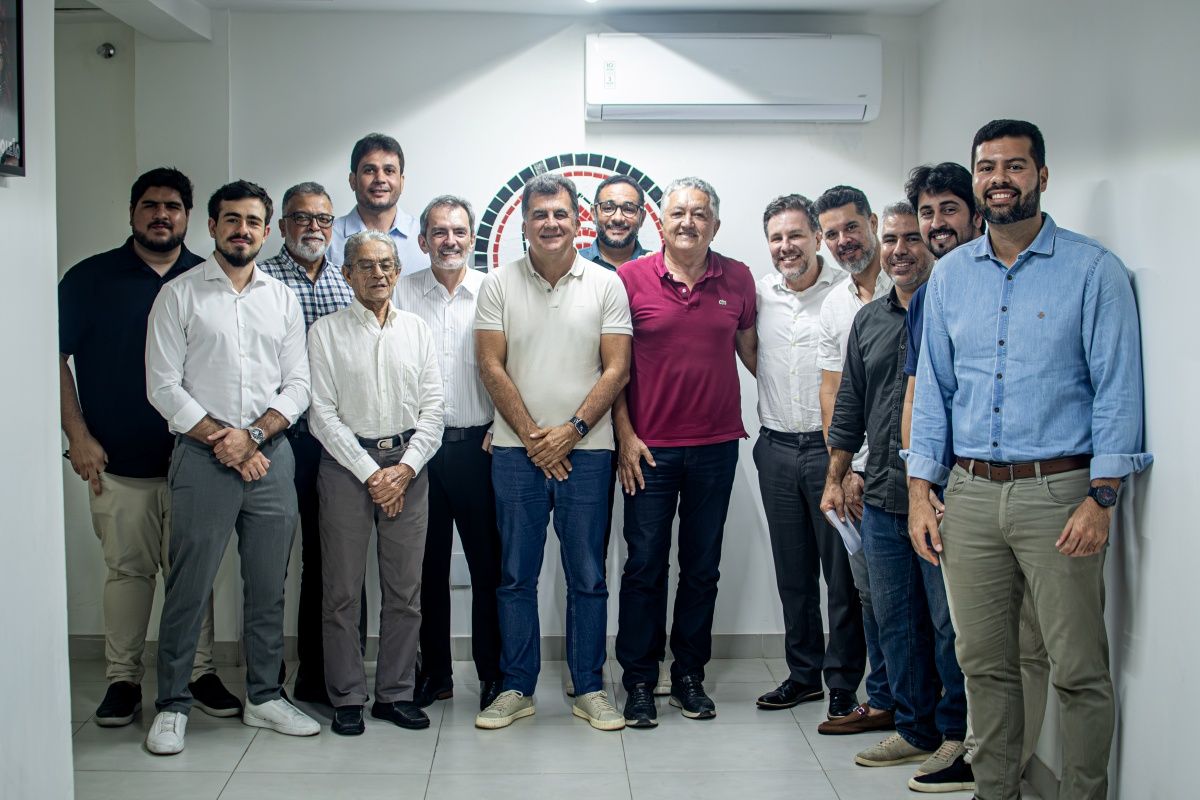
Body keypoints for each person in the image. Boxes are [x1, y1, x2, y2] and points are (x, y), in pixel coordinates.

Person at [906, 119, 1152, 800]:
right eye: (988, 168)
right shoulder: (951, 276)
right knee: (984, 664)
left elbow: (1117, 388)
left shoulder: (1092, 270)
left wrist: (1103, 496)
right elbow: (936, 394)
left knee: (1077, 669)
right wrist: (922, 492)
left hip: (1061, 493)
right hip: (971, 494)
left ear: (1042, 176)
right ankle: (995, 793)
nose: (1000, 180)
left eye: (1015, 167)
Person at [58, 167, 240, 727]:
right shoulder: (90, 279)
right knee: (127, 572)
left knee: (195, 573)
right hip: (118, 462)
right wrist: (78, 437)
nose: (162, 215)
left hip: (198, 462)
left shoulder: (210, 279)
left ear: (191, 219)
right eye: (151, 206)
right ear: (132, 213)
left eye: (174, 207)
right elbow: (54, 359)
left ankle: (197, 670)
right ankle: (122, 680)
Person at [144, 180, 318, 755]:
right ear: (212, 227)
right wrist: (225, 440)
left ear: (266, 231)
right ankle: (171, 705)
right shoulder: (179, 295)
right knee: (188, 584)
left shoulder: (281, 298)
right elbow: (163, 386)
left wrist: (255, 437)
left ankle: (265, 697)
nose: (241, 229)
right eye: (230, 220)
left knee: (268, 585)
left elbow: (298, 384)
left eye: (252, 221)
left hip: (272, 454)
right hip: (201, 456)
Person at [899, 161, 1049, 794]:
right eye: (927, 214)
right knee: (973, 645)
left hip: (1043, 488)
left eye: (948, 211)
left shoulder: (1071, 272)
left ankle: (987, 755)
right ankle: (980, 761)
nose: (937, 225)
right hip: (958, 485)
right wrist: (920, 484)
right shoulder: (941, 289)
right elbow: (923, 393)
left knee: (1030, 651)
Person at [473, 173, 632, 732]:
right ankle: (517, 687)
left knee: (586, 573)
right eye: (540, 215)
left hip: (588, 452)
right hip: (516, 453)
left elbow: (618, 368)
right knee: (516, 574)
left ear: (577, 220)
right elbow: (491, 365)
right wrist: (538, 438)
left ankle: (590, 687)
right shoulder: (497, 284)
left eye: (560, 214)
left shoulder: (605, 284)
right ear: (524, 224)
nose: (550, 223)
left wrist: (571, 429)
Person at [821, 203, 968, 791]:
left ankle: (956, 732)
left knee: (946, 620)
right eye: (893, 239)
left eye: (913, 237)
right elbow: (851, 405)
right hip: (881, 492)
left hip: (939, 495)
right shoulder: (870, 320)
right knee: (894, 618)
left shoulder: (953, 308)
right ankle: (914, 729)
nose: (902, 248)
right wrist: (837, 474)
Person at [614, 177, 757, 728]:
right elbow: (614, 368)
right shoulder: (629, 279)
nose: (688, 222)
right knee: (644, 567)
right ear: (661, 222)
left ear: (714, 226)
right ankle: (640, 681)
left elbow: (755, 356)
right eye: (678, 212)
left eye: (700, 214)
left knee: (702, 568)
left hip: (717, 448)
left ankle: (689, 676)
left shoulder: (738, 278)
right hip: (648, 451)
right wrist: (625, 435)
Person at [308, 230, 445, 735]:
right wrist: (372, 474)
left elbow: (435, 408)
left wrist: (404, 468)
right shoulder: (325, 332)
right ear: (346, 274)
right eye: (366, 266)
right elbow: (321, 414)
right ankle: (346, 696)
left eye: (387, 264)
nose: (379, 274)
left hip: (409, 462)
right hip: (347, 467)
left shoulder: (417, 330)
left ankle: (395, 694)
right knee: (342, 590)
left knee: (405, 590)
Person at [751, 194, 866, 714]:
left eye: (795, 235)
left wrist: (851, 462)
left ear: (818, 237)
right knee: (792, 572)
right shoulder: (759, 297)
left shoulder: (847, 293)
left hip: (830, 452)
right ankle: (803, 674)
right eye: (776, 238)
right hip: (774, 448)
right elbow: (752, 355)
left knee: (840, 572)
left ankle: (842, 679)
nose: (786, 247)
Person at [394, 196, 504, 712]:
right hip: (420, 452)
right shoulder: (401, 292)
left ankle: (492, 674)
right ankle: (433, 673)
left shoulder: (494, 291)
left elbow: (515, 362)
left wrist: (504, 423)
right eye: (439, 232)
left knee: (489, 568)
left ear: (472, 237)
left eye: (459, 231)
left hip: (479, 447)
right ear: (422, 241)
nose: (450, 241)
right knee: (425, 569)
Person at [259, 181, 356, 704]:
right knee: (269, 560)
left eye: (322, 219)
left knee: (328, 560)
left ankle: (319, 677)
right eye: (302, 218)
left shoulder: (347, 278)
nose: (313, 228)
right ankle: (265, 679)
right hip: (278, 438)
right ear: (282, 226)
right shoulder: (263, 278)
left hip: (333, 441)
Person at [813, 185, 896, 733]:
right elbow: (833, 396)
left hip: (898, 471)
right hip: (856, 472)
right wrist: (840, 473)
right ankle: (887, 698)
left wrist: (864, 469)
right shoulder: (836, 303)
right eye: (833, 233)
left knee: (912, 601)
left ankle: (919, 710)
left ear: (871, 221)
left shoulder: (911, 283)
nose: (845, 241)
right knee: (872, 594)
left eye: (852, 227)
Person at [328, 133, 429, 275]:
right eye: (369, 170)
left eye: (389, 171)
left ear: (402, 182)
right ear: (352, 181)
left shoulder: (426, 236)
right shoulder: (328, 238)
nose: (380, 179)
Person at [580, 174, 651, 271]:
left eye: (628, 209)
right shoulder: (572, 265)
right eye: (608, 208)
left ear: (642, 218)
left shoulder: (657, 268)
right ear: (593, 214)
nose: (618, 218)